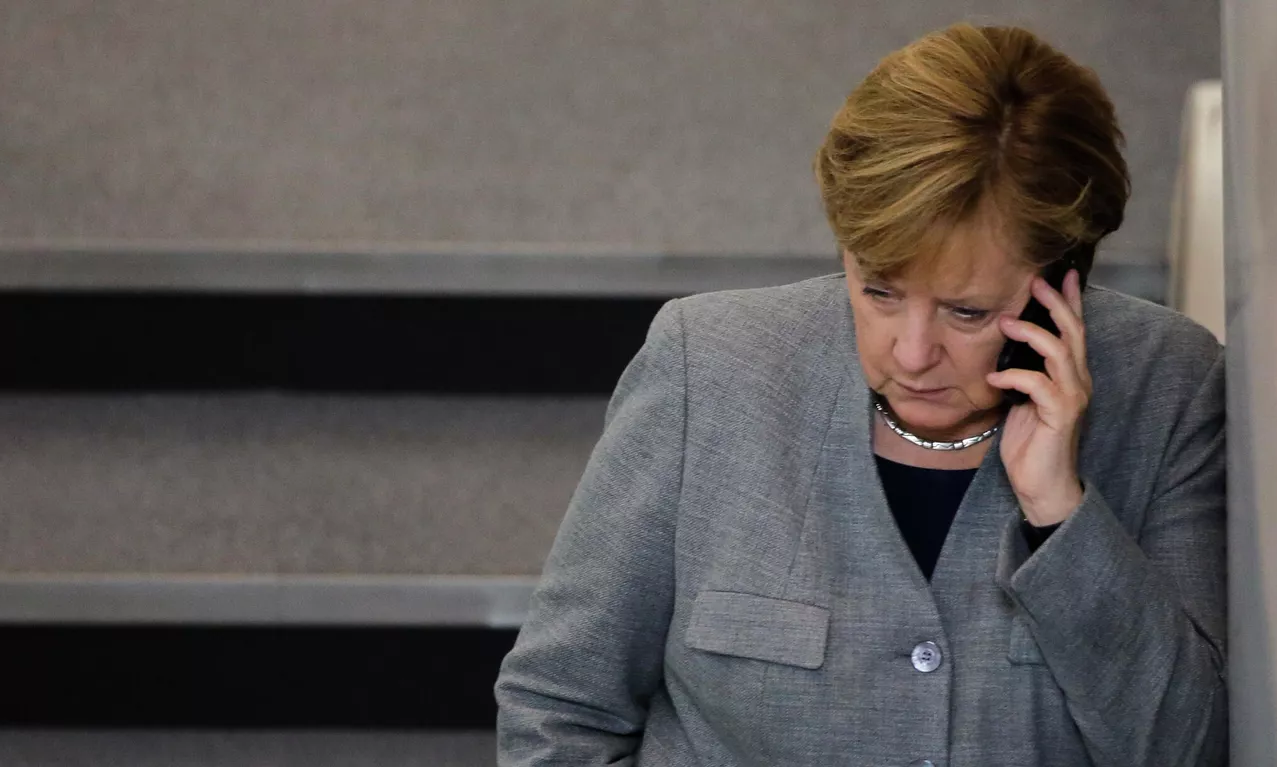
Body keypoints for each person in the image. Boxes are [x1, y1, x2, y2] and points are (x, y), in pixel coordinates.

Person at [496, 23, 1226, 766]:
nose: (910, 353)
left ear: (1063, 279)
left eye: (966, 311)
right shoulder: (708, 368)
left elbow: (1188, 749)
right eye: (878, 289)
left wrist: (1061, 515)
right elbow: (559, 710)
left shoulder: (1170, 388)